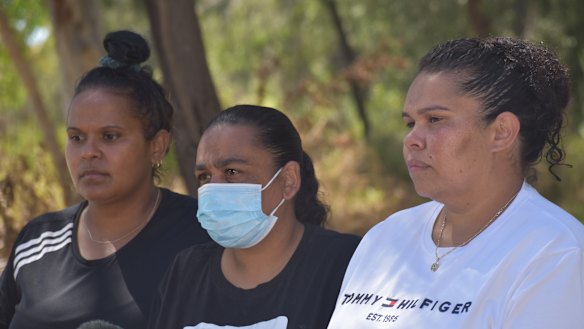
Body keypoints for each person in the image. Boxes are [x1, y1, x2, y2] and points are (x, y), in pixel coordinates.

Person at [326, 37, 584, 328]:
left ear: (501, 132)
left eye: (435, 119)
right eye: (410, 123)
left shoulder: (555, 253)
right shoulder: (385, 238)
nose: (411, 140)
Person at [0, 30, 210, 329]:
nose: (88, 153)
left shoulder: (203, 239)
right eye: (76, 137)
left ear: (157, 146)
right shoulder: (36, 242)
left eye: (110, 137)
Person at [148, 104, 361, 329]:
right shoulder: (186, 273)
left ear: (288, 180)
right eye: (205, 176)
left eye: (232, 172)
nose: (214, 188)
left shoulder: (346, 265)